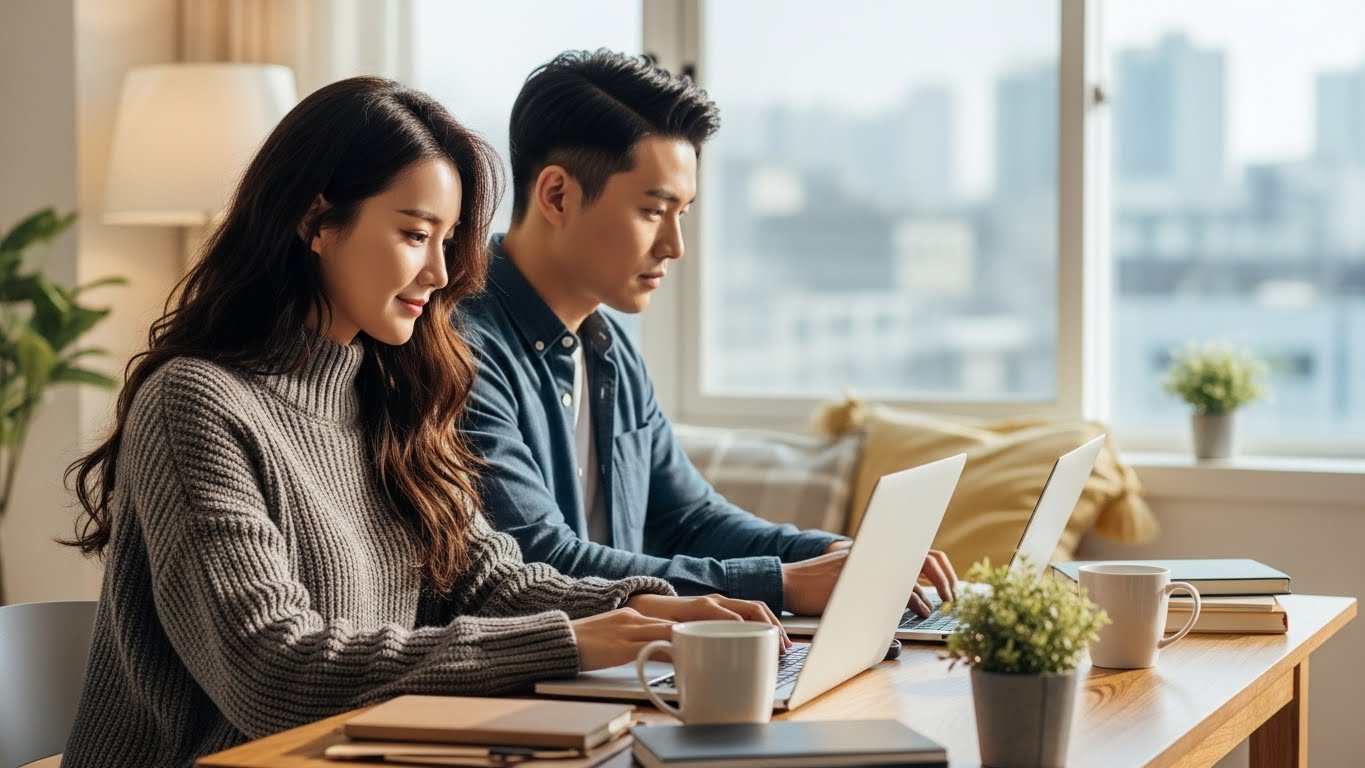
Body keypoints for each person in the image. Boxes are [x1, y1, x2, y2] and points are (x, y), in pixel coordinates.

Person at [59, 76, 780, 768]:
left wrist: (649, 611)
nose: (441, 273)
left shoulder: (389, 392)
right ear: (315, 220)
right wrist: (575, 643)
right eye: (415, 234)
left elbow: (488, 582)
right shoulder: (197, 404)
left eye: (448, 240)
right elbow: (272, 669)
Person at [461, 50, 956, 617]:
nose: (675, 246)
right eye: (653, 211)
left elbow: (689, 519)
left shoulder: (609, 351)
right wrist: (783, 583)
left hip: (625, 666)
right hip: (527, 687)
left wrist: (831, 553)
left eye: (684, 213)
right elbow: (539, 562)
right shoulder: (464, 349)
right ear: (557, 196)